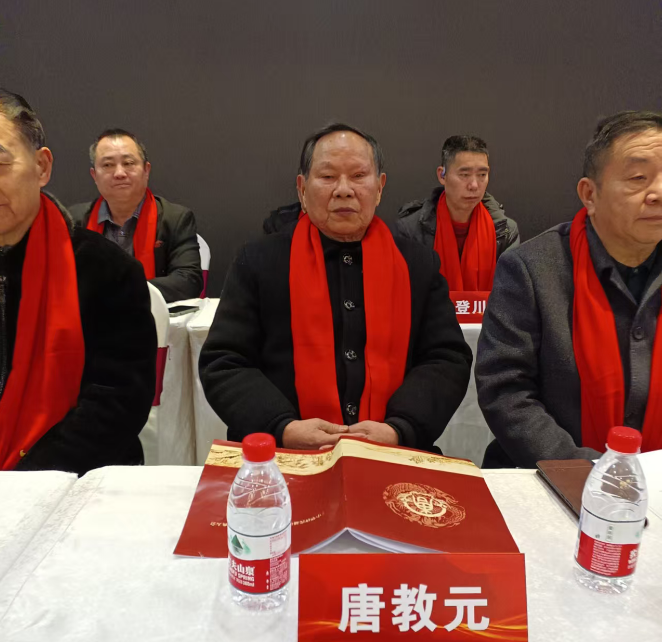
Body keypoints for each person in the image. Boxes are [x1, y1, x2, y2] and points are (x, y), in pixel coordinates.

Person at [200, 123, 472, 451]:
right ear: (302, 189)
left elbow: (446, 359)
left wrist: (400, 427)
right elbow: (225, 361)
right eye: (328, 176)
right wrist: (283, 427)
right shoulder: (258, 261)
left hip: (394, 451)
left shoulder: (418, 265)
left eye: (358, 176)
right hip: (281, 453)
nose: (344, 190)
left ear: (380, 187)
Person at [476, 111, 662, 468]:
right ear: (589, 194)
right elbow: (507, 392)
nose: (657, 193)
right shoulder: (531, 269)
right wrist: (590, 473)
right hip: (552, 478)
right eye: (638, 178)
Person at [0, 90, 156, 474]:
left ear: (42, 166)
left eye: (1, 163)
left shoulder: (107, 270)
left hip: (68, 476)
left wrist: (22, 483)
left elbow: (117, 403)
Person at [69, 128, 203, 303]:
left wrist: (122, 291)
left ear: (146, 170)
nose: (119, 173)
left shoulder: (176, 218)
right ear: (94, 175)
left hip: (154, 317)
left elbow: (188, 281)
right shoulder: (73, 221)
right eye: (108, 165)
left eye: (128, 163)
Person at [396, 135, 519, 291]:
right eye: (464, 175)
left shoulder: (505, 232)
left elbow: (510, 296)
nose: (474, 185)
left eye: (482, 175)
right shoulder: (410, 231)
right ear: (442, 175)